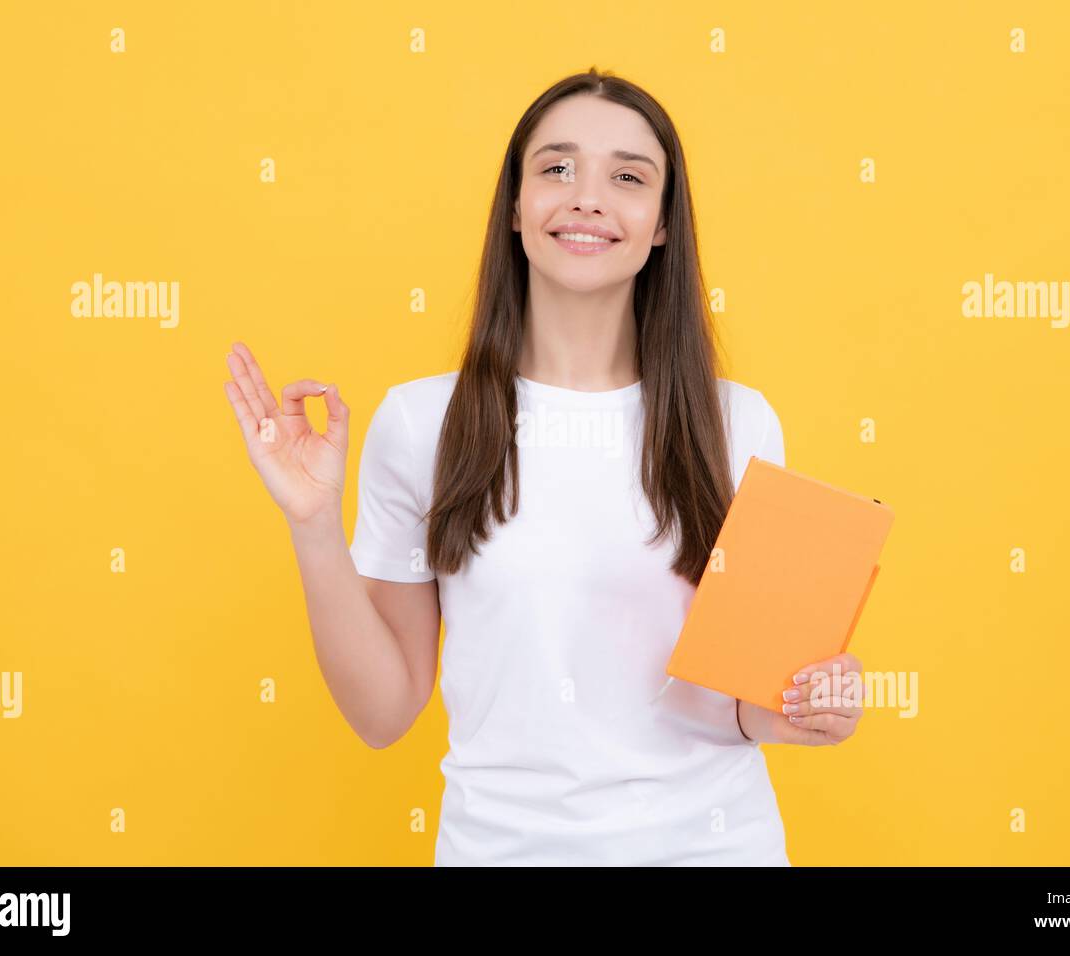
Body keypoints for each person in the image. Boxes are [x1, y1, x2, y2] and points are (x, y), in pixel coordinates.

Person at [223, 67, 864, 866]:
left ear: (662, 223)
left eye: (627, 177)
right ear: (517, 207)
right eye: (557, 168)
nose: (588, 197)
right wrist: (314, 526)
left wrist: (808, 706)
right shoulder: (423, 423)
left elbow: (738, 706)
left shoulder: (738, 423)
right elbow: (383, 713)